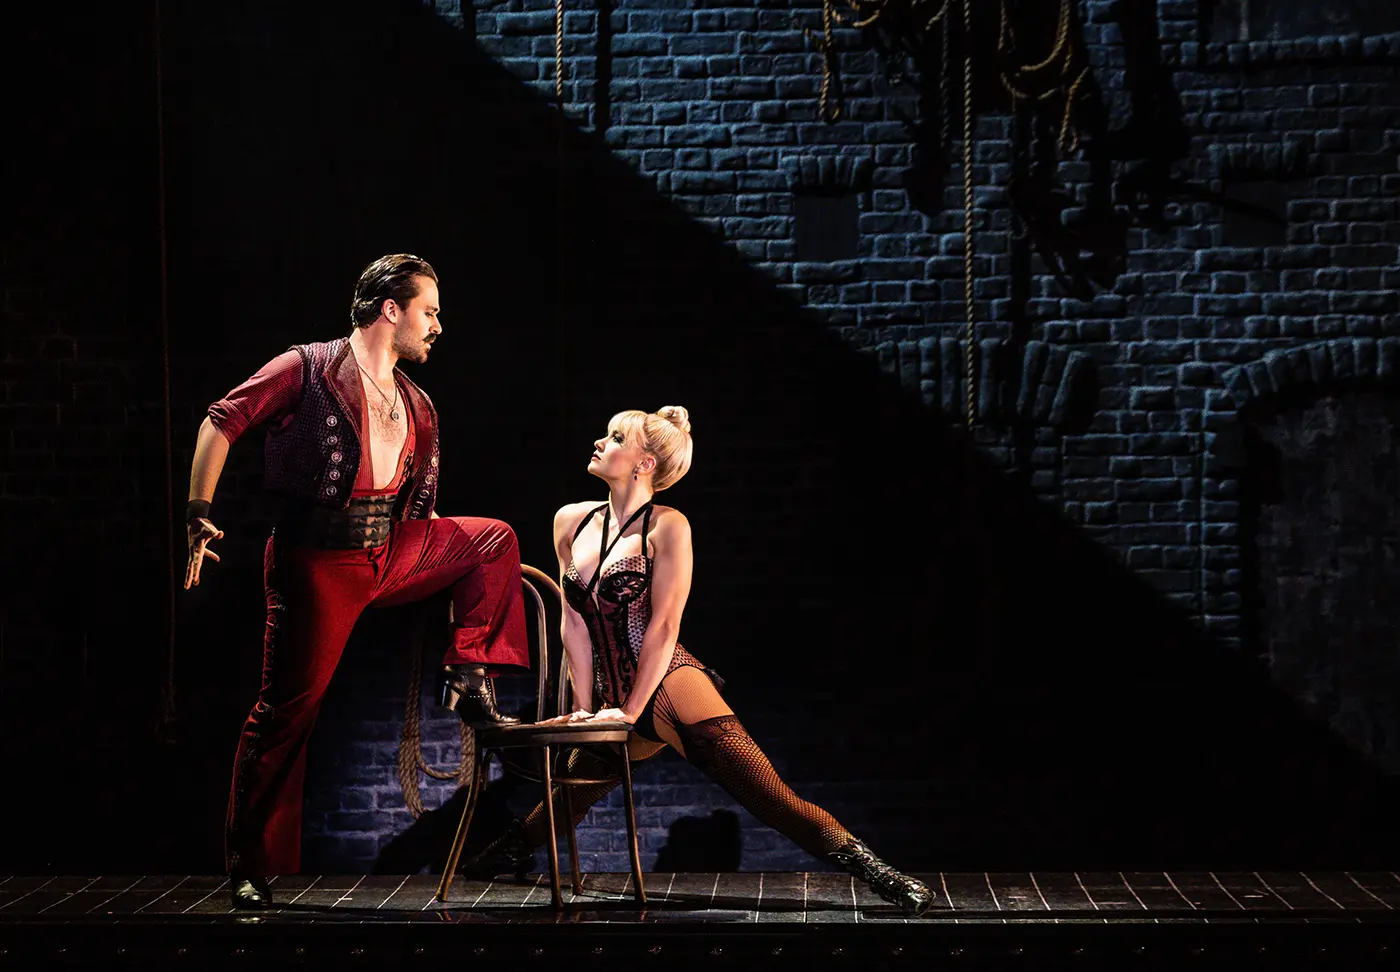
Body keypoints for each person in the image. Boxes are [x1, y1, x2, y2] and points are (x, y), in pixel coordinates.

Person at [468, 406, 934, 916]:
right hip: (611, 696)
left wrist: (629, 711)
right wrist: (586, 707)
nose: (600, 442)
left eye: (615, 437)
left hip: (668, 683)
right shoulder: (570, 520)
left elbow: (665, 627)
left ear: (645, 463)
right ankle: (497, 857)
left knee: (767, 794)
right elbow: (573, 621)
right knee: (567, 799)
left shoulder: (669, 527)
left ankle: (880, 874)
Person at [183, 253, 530, 909]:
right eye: (428, 311)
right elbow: (221, 420)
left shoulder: (417, 402)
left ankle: (470, 678)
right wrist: (199, 513)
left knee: (493, 539)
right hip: (319, 561)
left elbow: (420, 508)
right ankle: (251, 862)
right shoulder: (308, 367)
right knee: (289, 711)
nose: (437, 325)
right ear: (390, 309)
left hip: (391, 547)